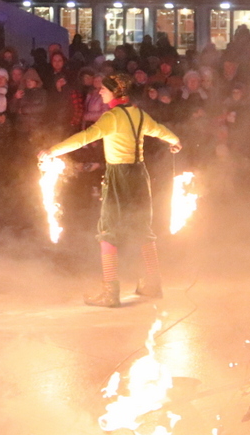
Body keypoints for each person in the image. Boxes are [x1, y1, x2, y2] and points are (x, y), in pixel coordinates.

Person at [40, 73, 181, 307]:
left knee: (107, 230)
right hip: (139, 174)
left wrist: (52, 151)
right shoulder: (138, 114)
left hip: (119, 176)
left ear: (116, 92)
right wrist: (174, 140)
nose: (100, 92)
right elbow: (158, 130)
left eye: (104, 89)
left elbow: (85, 137)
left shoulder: (112, 117)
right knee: (143, 227)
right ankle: (153, 283)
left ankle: (110, 292)